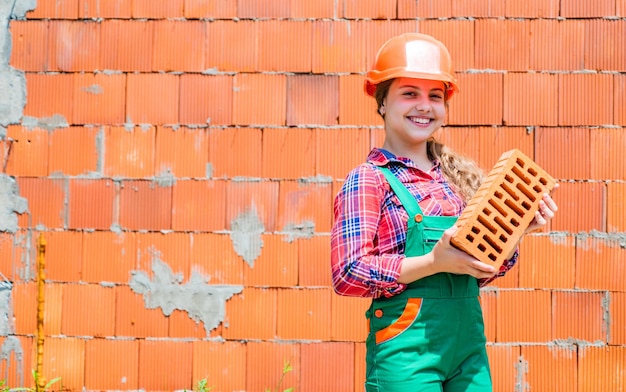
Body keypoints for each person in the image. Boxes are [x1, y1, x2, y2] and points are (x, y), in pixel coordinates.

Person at [330, 33, 558, 392]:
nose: (424, 105)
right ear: (382, 102)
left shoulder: (456, 181)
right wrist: (433, 262)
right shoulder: (369, 179)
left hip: (467, 349)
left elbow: (475, 273)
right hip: (407, 348)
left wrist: (515, 231)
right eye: (409, 93)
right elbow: (348, 273)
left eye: (435, 96)